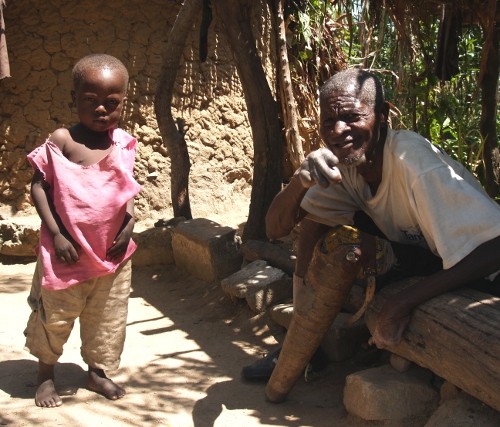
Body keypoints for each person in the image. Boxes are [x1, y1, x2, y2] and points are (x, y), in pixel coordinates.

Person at [252, 68, 500, 397]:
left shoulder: (416, 165)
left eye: (353, 117)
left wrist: (403, 302)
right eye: (329, 122)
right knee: (315, 221)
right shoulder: (349, 165)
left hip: (481, 276)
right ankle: (303, 340)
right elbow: (275, 228)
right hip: (424, 258)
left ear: (383, 116)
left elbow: (494, 249)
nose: (339, 131)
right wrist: (299, 180)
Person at [24, 53, 141, 408]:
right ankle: (46, 375)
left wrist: (130, 222)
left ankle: (97, 371)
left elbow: (127, 189)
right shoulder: (61, 141)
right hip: (68, 254)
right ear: (74, 99)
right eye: (91, 101)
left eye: (111, 103)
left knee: (107, 318)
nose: (101, 110)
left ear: (123, 102)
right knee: (55, 317)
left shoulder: (123, 142)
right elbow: (38, 187)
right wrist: (57, 234)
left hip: (112, 255)